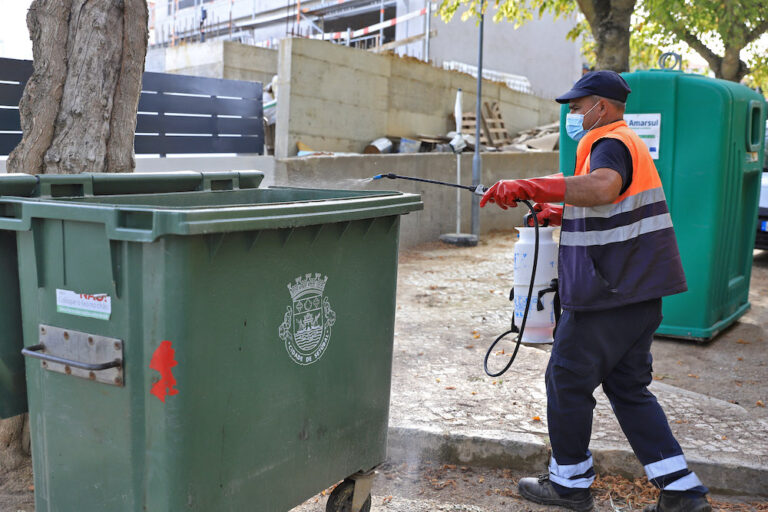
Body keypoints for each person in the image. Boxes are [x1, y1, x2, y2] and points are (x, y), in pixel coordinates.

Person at [480, 70, 711, 512]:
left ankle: (568, 484)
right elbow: (611, 207)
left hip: (610, 293)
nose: (571, 113)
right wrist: (555, 212)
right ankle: (682, 492)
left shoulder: (611, 143)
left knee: (565, 379)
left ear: (600, 107)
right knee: (628, 390)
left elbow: (604, 188)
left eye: (576, 105)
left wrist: (530, 186)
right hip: (637, 294)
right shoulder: (622, 144)